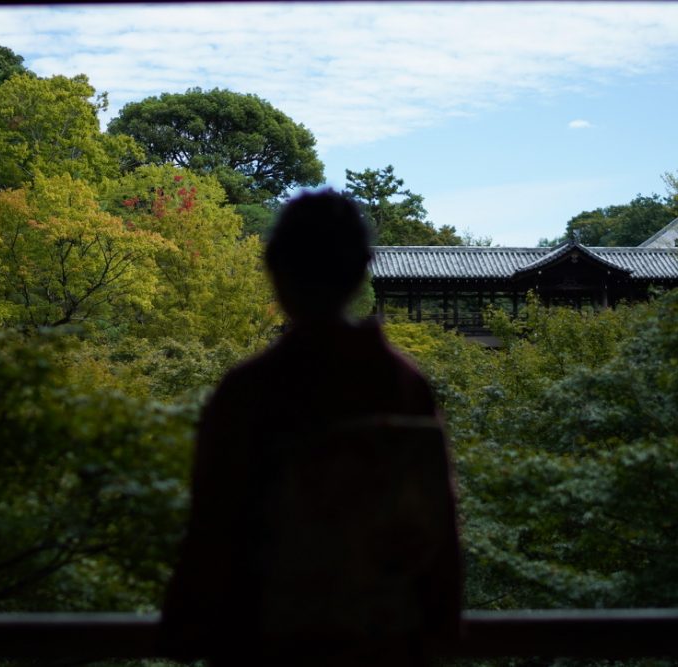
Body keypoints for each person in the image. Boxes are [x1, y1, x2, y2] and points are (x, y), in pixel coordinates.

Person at [161, 190, 461, 666]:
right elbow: (439, 525)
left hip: (264, 640)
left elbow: (213, 526)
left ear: (275, 269)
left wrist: (184, 618)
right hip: (385, 642)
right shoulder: (404, 384)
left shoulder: (249, 389)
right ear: (362, 269)